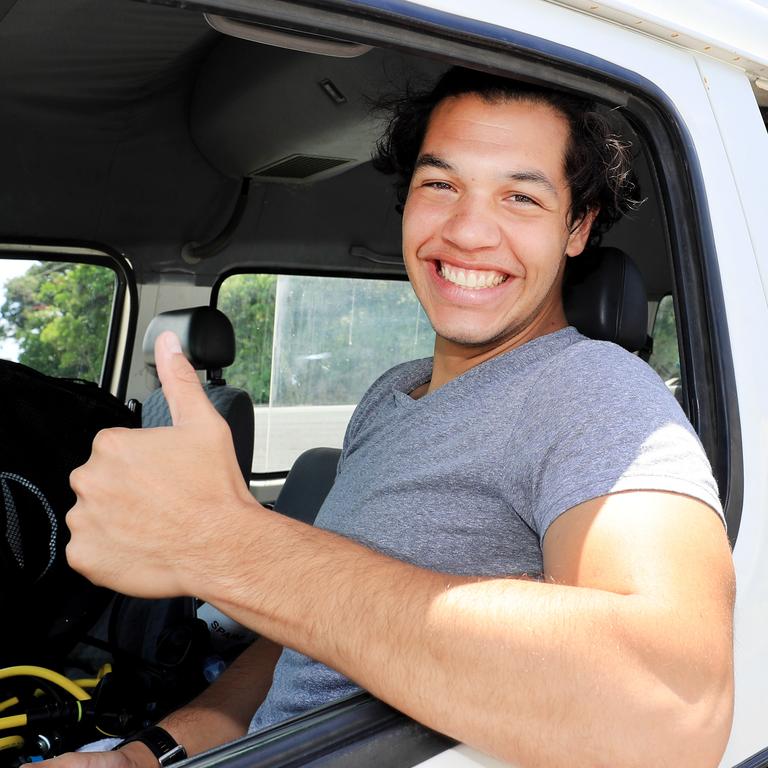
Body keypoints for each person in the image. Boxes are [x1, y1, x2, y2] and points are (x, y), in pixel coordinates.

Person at [59, 68, 734, 768]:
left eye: (521, 197)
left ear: (577, 228)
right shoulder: (392, 394)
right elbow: (315, 633)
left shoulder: (596, 392)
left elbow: (675, 712)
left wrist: (225, 545)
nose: (469, 231)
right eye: (440, 185)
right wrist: (156, 751)